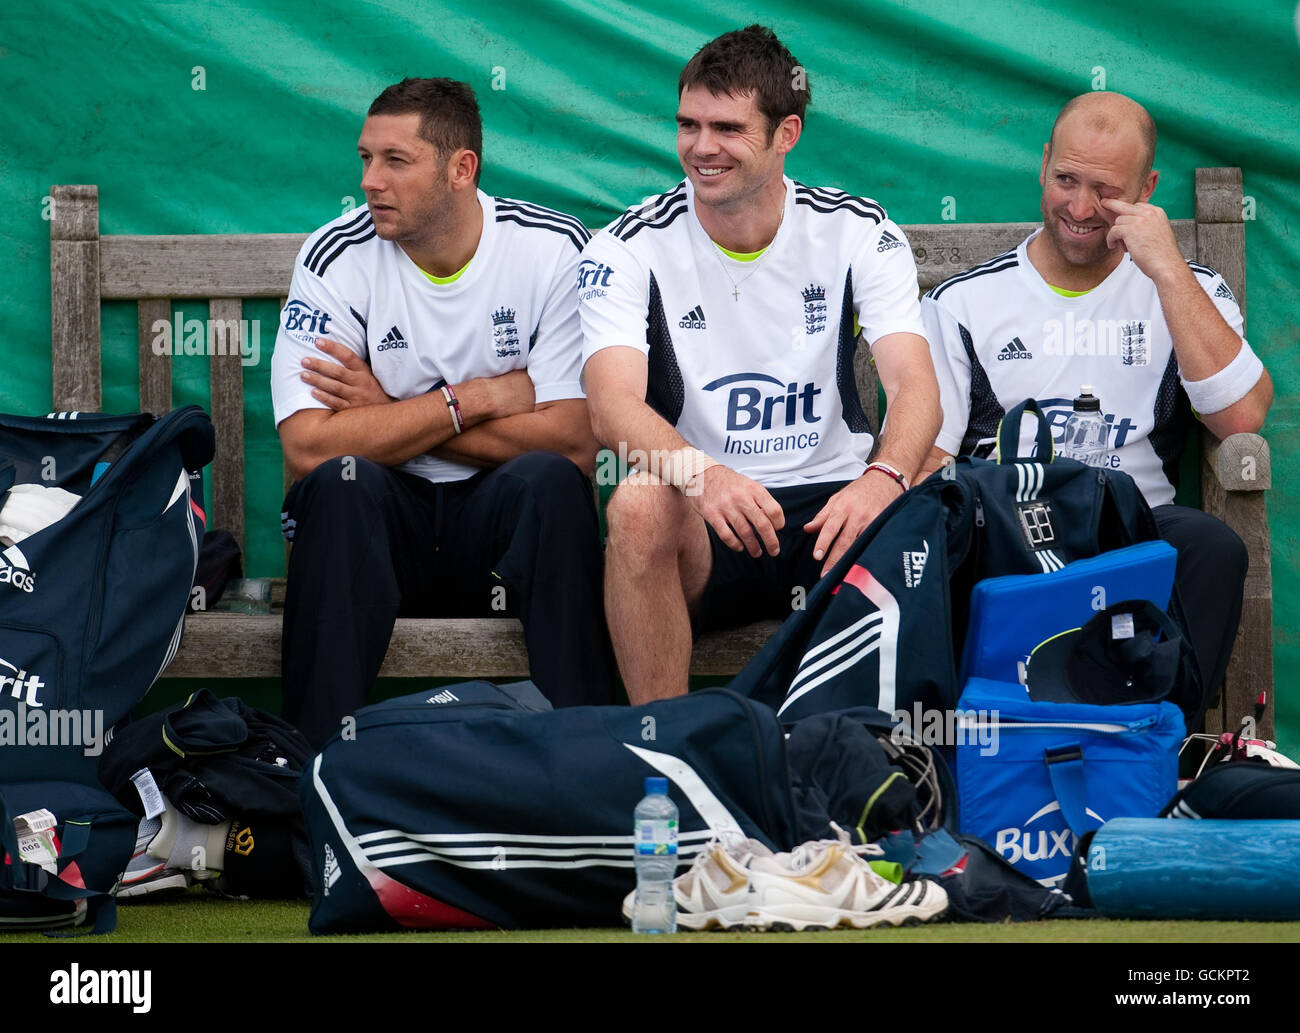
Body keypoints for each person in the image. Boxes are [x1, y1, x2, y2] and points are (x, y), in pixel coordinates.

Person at [579, 26, 942, 704]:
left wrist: (882, 480)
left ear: (787, 134)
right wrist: (704, 474)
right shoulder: (626, 247)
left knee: (932, 484)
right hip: (710, 514)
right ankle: (669, 757)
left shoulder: (858, 229)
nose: (701, 147)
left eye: (727, 127)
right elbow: (611, 406)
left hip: (837, 504)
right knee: (637, 503)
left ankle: (889, 768)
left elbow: (915, 384)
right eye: (688, 124)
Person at [270, 77, 615, 747]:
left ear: (462, 169)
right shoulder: (336, 254)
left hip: (499, 543)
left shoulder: (552, 249)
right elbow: (310, 446)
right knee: (341, 484)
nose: (371, 180)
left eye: (396, 161)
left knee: (549, 481)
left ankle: (585, 764)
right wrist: (473, 398)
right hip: (382, 537)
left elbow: (573, 441)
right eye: (366, 158)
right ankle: (307, 784)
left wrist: (391, 412)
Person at [920, 90, 1272, 706]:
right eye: (1065, 179)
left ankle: (1161, 747)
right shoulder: (964, 303)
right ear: (1044, 165)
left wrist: (1165, 268)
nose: (1080, 208)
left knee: (1213, 547)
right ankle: (968, 756)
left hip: (1135, 527)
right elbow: (929, 454)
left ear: (1147, 189)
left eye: (1106, 191)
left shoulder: (1188, 290)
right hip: (1014, 528)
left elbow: (1242, 415)